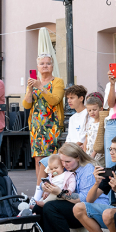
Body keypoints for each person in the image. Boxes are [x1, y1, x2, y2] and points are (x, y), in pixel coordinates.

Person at [32, 143, 96, 232]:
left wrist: (60, 193)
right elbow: (50, 170)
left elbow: (85, 198)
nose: (64, 165)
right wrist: (44, 186)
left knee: (50, 207)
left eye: (67, 161)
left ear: (78, 157)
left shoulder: (88, 169)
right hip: (70, 205)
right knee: (37, 209)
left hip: (86, 209)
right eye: (62, 161)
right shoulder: (66, 166)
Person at [23, 54, 66, 185]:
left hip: (52, 125)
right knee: (39, 160)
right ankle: (40, 189)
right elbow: (26, 105)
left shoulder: (57, 81)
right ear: (37, 67)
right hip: (37, 126)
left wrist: (40, 86)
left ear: (52, 66)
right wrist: (30, 90)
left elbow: (55, 100)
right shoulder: (33, 83)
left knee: (54, 160)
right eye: (42, 64)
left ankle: (55, 186)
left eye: (48, 63)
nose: (45, 66)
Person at [84, 92, 107, 164]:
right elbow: (86, 140)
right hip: (89, 155)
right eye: (89, 110)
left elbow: (99, 140)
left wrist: (93, 155)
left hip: (98, 155)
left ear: (101, 109)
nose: (92, 112)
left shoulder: (102, 124)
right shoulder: (89, 123)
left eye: (94, 110)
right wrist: (84, 154)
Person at [65, 85, 89, 150]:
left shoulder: (88, 114)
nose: (69, 101)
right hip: (71, 150)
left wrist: (70, 149)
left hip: (79, 150)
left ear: (81, 98)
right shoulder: (72, 118)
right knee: (45, 160)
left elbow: (84, 137)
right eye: (68, 98)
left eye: (72, 98)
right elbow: (69, 138)